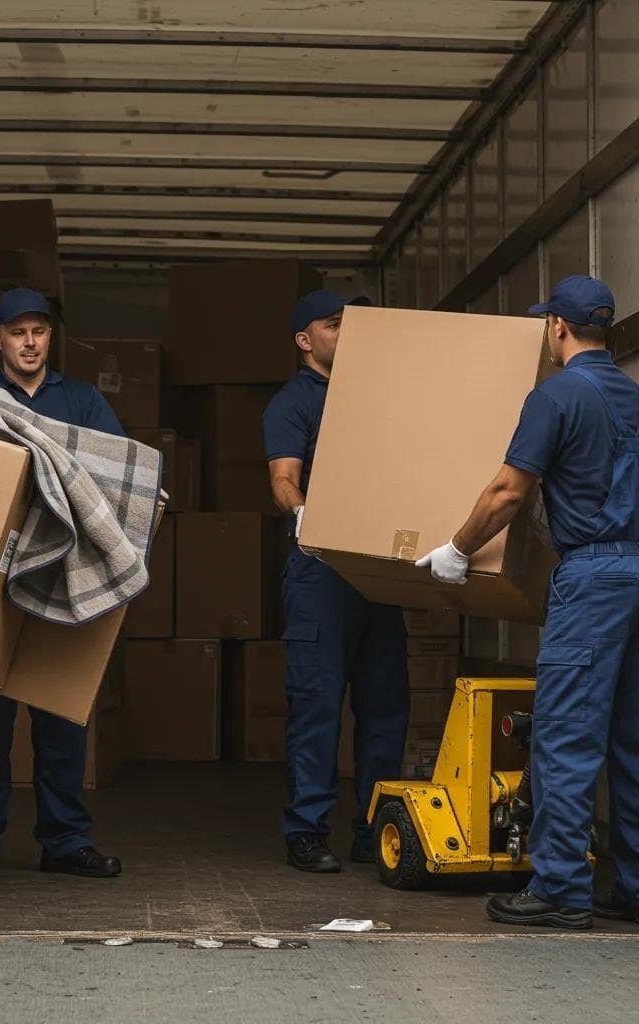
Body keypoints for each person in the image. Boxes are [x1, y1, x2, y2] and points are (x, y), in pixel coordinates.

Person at [417, 276, 639, 930]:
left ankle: (560, 889)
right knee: (635, 740)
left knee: (565, 736)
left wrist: (457, 548)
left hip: (594, 581)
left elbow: (509, 491)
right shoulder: (635, 396)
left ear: (557, 327)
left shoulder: (555, 395)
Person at [0, 288, 125, 884]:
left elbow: (115, 473)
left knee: (61, 722)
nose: (29, 342)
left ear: (50, 337)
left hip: (62, 582)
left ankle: (66, 842)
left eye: (39, 332)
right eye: (17, 332)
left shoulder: (82, 400)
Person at [263, 290, 409, 873]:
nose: (346, 332)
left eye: (350, 323)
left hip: (376, 570)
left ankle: (374, 829)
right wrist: (305, 514)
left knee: (385, 706)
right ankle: (306, 830)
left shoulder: (376, 396)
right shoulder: (292, 403)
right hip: (320, 572)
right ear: (305, 340)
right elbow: (282, 479)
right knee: (317, 705)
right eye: (333, 325)